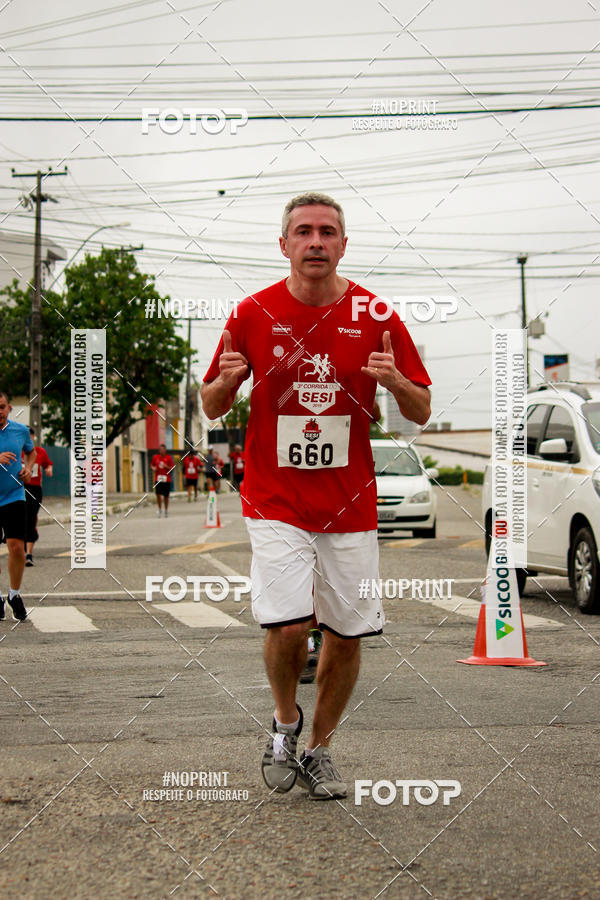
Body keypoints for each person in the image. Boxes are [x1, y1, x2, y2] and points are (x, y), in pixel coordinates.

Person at [201, 192, 431, 800]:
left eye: (328, 232)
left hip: (348, 502)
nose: (316, 242)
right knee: (290, 623)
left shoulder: (376, 313)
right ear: (284, 245)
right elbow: (211, 403)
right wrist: (224, 384)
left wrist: (397, 382)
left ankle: (319, 749)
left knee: (347, 633)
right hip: (274, 499)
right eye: (303, 232)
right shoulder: (251, 313)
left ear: (343, 245)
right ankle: (284, 723)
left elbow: (422, 410)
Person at [0, 391, 36, 621]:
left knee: (16, 546)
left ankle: (14, 594)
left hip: (14, 494)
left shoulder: (20, 431)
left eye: (2, 407)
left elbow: (31, 452)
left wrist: (29, 468)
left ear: (9, 408)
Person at [22, 427, 53, 566]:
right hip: (18, 489)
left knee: (31, 517)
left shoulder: (40, 452)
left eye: (30, 437)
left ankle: (28, 554)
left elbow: (48, 463)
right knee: (21, 518)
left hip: (34, 489)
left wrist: (48, 469)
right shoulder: (17, 453)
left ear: (33, 438)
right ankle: (21, 545)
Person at [150, 444, 174, 517]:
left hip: (166, 479)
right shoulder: (155, 457)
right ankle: (160, 509)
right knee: (158, 494)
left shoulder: (168, 458)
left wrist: (166, 466)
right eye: (160, 449)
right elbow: (152, 465)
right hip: (158, 479)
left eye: (162, 449)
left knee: (166, 496)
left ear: (165, 450)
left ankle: (166, 510)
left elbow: (172, 467)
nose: (161, 451)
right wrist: (153, 468)